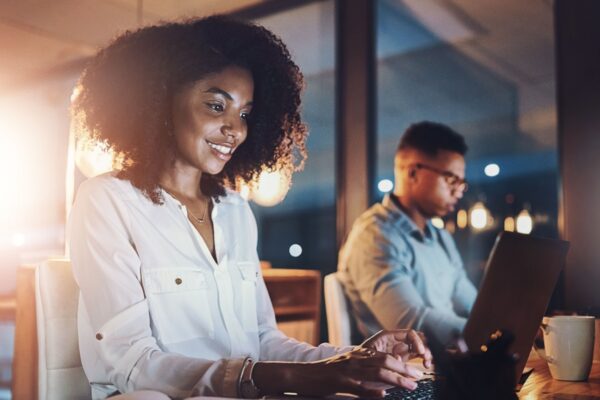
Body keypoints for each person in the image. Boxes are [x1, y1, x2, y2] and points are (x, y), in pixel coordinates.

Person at [69, 16, 432, 399]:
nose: (236, 130)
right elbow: (133, 364)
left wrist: (355, 359)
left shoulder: (234, 211)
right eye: (215, 106)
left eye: (244, 114)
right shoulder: (107, 201)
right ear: (159, 100)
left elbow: (261, 340)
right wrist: (284, 379)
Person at [337, 121, 477, 352]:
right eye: (451, 180)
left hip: (446, 363)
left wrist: (503, 325)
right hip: (401, 372)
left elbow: (471, 302)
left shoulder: (440, 236)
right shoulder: (374, 236)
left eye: (461, 183)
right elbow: (412, 324)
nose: (457, 191)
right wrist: (487, 332)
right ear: (413, 173)